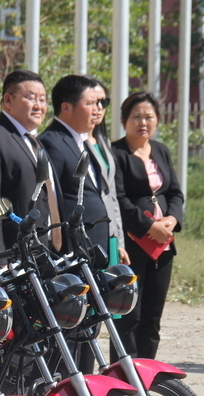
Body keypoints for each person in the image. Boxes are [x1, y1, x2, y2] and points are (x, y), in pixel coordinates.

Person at [111, 92, 183, 362]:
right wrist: (149, 226)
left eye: (148, 117)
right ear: (124, 120)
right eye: (136, 117)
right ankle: (124, 379)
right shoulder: (116, 153)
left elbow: (175, 193)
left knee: (152, 317)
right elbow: (118, 199)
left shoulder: (161, 150)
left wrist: (171, 220)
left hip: (162, 246)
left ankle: (147, 376)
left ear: (157, 120)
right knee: (130, 314)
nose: (143, 122)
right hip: (132, 245)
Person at [0, 70, 59, 254]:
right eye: (31, 98)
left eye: (43, 99)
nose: (39, 106)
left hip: (43, 250)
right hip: (14, 252)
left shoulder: (34, 141)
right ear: (8, 100)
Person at [39, 75, 109, 251]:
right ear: (66, 107)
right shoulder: (52, 142)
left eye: (98, 103)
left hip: (93, 244)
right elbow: (48, 199)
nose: (97, 110)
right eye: (90, 103)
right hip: (72, 248)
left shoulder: (81, 141)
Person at [86, 79, 128, 266]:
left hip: (110, 233)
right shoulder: (76, 143)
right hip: (90, 234)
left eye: (103, 102)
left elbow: (112, 195)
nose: (98, 108)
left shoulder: (103, 142)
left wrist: (119, 241)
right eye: (92, 102)